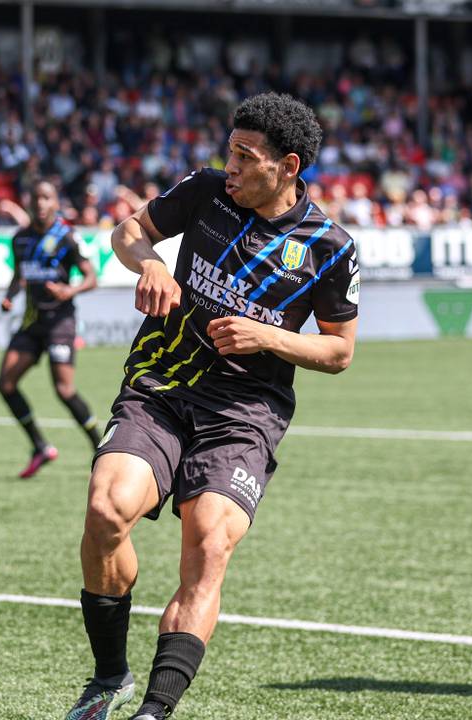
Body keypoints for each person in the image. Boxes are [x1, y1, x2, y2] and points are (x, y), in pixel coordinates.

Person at [64, 93, 358, 720]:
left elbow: (338, 352)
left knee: (208, 542)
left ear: (289, 165)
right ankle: (108, 675)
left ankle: (153, 710)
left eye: (245, 157)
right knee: (105, 509)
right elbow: (129, 231)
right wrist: (151, 266)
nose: (230, 164)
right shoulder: (204, 191)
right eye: (230, 149)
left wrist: (267, 337)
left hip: (245, 412)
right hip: (161, 385)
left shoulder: (330, 247)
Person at [0, 179, 100, 479]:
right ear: (29, 202)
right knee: (6, 383)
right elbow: (19, 275)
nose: (41, 203)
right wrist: (9, 296)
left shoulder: (67, 237)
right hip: (31, 322)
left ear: (55, 203)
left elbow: (92, 277)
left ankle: (101, 447)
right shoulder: (20, 239)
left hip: (60, 323)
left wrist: (70, 291)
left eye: (46, 198)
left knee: (64, 390)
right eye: (36, 197)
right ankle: (40, 446)